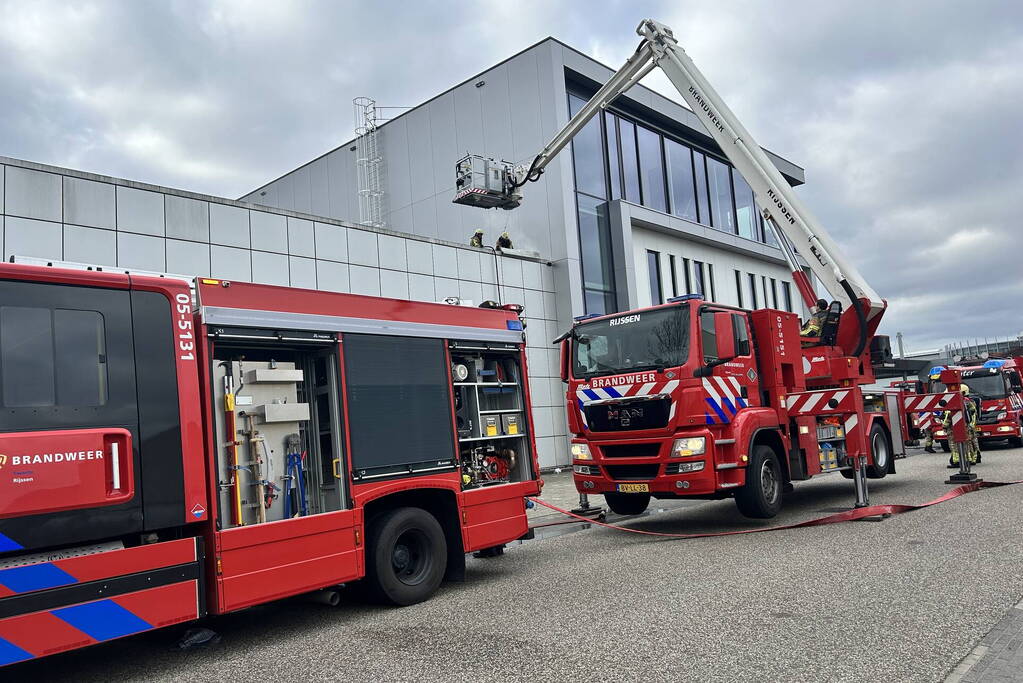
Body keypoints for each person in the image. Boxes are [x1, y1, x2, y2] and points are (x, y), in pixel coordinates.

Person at [944, 384, 980, 468]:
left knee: (953, 443)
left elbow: (949, 416)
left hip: (954, 427)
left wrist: (944, 425)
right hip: (967, 425)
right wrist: (971, 425)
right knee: (968, 442)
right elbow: (974, 414)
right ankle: (971, 458)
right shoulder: (968, 401)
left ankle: (957, 461)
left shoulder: (954, 402)